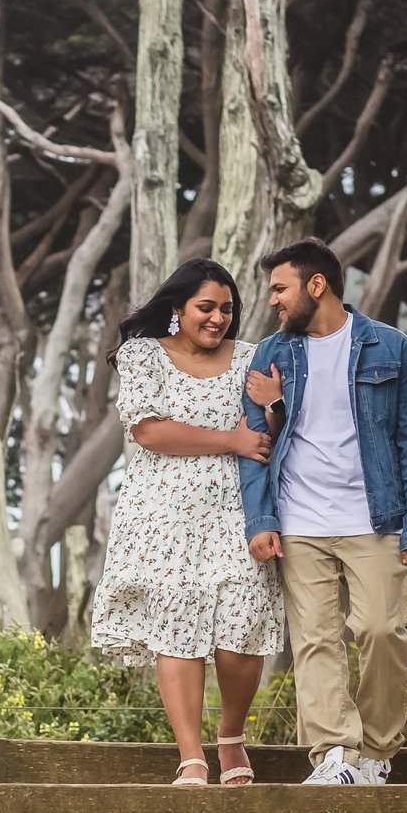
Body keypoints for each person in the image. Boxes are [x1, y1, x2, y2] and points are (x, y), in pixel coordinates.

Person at [238, 237, 407, 785]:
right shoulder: (271, 354)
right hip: (300, 523)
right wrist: (261, 521)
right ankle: (332, 755)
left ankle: (375, 755)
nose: (273, 301)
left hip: (377, 519)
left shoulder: (389, 347)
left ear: (316, 284)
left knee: (382, 629)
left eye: (280, 289)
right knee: (315, 642)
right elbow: (256, 445)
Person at [91, 259, 287, 785]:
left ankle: (231, 739)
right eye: (206, 307)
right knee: (176, 622)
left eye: (227, 309)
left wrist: (274, 409)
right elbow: (149, 431)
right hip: (163, 515)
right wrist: (232, 440)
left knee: (242, 623)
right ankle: (191, 754)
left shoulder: (251, 358)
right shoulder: (143, 356)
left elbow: (273, 434)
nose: (218, 318)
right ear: (177, 309)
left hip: (239, 508)